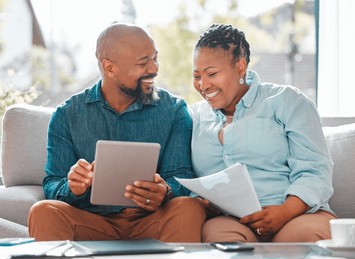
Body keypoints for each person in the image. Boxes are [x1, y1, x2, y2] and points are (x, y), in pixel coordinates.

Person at [28, 23, 205, 242]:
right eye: (143, 62)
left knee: (189, 207)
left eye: (155, 58)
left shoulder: (174, 110)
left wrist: (166, 190)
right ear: (110, 68)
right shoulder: (67, 114)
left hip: (150, 220)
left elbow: (181, 175)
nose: (154, 69)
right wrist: (73, 187)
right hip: (91, 220)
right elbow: (53, 182)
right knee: (43, 211)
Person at [190, 23, 336, 243]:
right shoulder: (193, 116)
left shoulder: (287, 101)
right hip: (229, 219)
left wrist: (284, 212)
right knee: (222, 245)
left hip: (296, 214)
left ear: (240, 66)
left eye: (211, 73)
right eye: (196, 76)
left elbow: (315, 170)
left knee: (302, 239)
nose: (203, 85)